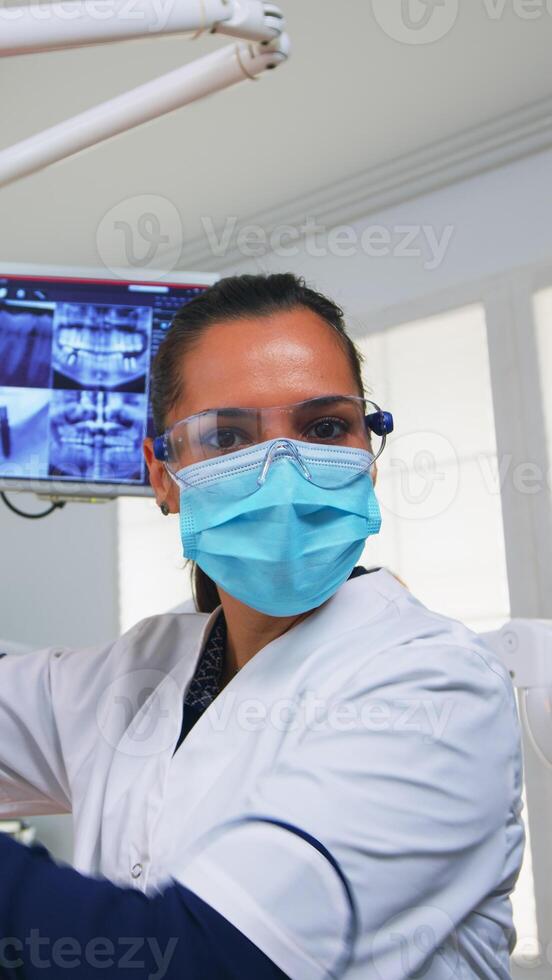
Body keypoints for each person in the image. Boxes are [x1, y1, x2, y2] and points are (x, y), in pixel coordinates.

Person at [0, 273, 524, 979]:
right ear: (163, 474)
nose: (285, 470)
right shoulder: (140, 668)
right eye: (228, 436)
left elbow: (199, 963)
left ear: (368, 455)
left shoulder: (436, 690)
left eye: (325, 427)